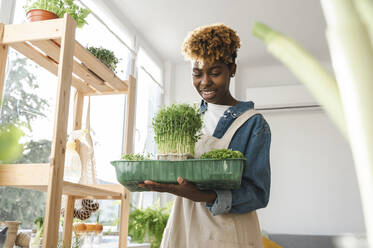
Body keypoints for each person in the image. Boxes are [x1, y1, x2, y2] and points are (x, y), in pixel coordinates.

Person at [139, 23, 271, 248]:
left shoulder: (253, 124)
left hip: (230, 233)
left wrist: (205, 195)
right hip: (185, 226)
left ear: (232, 69)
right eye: (197, 73)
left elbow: (258, 193)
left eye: (215, 72)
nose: (205, 82)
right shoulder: (186, 118)